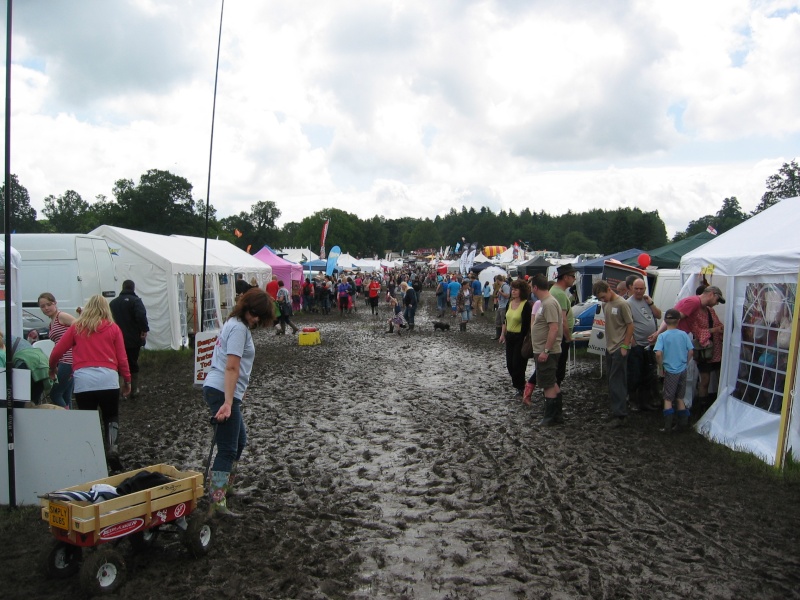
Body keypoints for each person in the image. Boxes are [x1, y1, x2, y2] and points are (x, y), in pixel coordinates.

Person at [203, 287, 275, 517]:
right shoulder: (238, 329)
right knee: (227, 448)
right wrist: (228, 401)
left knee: (240, 440)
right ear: (248, 309)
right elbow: (232, 366)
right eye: (256, 315)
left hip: (223, 390)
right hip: (221, 391)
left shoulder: (235, 323)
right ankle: (217, 499)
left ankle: (226, 487)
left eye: (259, 317)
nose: (256, 320)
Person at [48, 295, 131, 470]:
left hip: (83, 379)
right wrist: (127, 380)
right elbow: (122, 358)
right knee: (110, 416)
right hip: (108, 378)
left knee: (88, 418)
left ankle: (91, 455)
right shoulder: (113, 328)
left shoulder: (77, 327)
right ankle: (112, 448)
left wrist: (52, 368)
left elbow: (57, 351)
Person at [649, 285, 725, 417]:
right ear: (712, 294)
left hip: (681, 341)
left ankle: (680, 408)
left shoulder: (698, 305)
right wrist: (659, 334)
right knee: (680, 377)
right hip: (679, 342)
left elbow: (672, 317)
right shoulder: (694, 302)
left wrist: (658, 333)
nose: (717, 303)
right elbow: (672, 318)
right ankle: (679, 409)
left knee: (681, 378)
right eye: (717, 299)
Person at [593, 280, 634, 428]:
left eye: (603, 296)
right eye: (600, 298)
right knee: (611, 380)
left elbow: (630, 325)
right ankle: (617, 410)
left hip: (619, 347)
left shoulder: (622, 304)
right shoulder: (606, 304)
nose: (602, 300)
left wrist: (625, 345)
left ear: (609, 289)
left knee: (617, 380)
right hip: (610, 347)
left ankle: (620, 414)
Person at [527, 274, 563, 424]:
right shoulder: (545, 302)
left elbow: (554, 329)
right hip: (544, 349)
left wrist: (546, 351)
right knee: (551, 381)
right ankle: (557, 414)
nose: (530, 289)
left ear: (535, 287)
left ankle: (549, 417)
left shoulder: (548, 303)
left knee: (547, 383)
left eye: (531, 286)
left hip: (547, 351)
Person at [654, 309, 694, 432]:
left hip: (670, 370)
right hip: (682, 369)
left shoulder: (662, 336)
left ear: (665, 321)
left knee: (668, 398)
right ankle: (682, 425)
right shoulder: (683, 334)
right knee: (680, 397)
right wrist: (685, 362)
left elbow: (659, 354)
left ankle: (667, 426)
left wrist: (661, 367)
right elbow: (691, 351)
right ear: (678, 321)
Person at [626, 277, 662, 411]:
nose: (639, 291)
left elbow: (658, 315)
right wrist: (632, 341)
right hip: (638, 344)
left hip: (650, 344)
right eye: (636, 288)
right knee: (635, 374)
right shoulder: (628, 303)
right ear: (631, 288)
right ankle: (633, 400)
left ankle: (645, 401)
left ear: (645, 289)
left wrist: (651, 303)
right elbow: (625, 323)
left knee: (649, 374)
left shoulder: (647, 301)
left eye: (641, 289)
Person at [109, 280, 149, 399]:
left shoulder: (113, 303)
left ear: (122, 287)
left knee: (118, 364)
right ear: (133, 288)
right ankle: (133, 389)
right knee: (132, 363)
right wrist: (144, 330)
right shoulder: (136, 301)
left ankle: (119, 389)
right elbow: (141, 316)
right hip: (132, 339)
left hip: (116, 339)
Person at [38, 292, 77, 408]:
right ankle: (70, 422)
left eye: (48, 304)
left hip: (68, 360)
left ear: (55, 303)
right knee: (65, 395)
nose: (46, 308)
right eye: (42, 306)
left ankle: (66, 417)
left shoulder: (62, 316)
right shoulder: (52, 322)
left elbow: (80, 327)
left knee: (55, 394)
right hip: (63, 360)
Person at [499, 278, 532, 397]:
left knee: (518, 364)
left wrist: (525, 338)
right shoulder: (510, 303)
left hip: (520, 337)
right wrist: (503, 334)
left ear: (521, 291)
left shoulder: (526, 305)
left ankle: (521, 387)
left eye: (516, 290)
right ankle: (520, 383)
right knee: (510, 364)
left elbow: (528, 323)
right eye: (512, 289)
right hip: (510, 336)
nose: (513, 291)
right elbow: (505, 320)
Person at [551, 264, 577, 388]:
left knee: (556, 367)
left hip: (557, 336)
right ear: (565, 277)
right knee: (559, 368)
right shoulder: (560, 294)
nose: (575, 279)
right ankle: (554, 394)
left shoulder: (555, 291)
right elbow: (562, 320)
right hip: (561, 337)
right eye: (573, 276)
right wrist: (568, 337)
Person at [494, 275, 511, 340]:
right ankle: (498, 336)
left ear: (498, 280)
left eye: (496, 280)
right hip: (500, 306)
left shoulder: (505, 286)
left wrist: (500, 292)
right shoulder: (501, 286)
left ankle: (504, 336)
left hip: (504, 306)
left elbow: (507, 296)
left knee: (503, 321)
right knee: (497, 321)